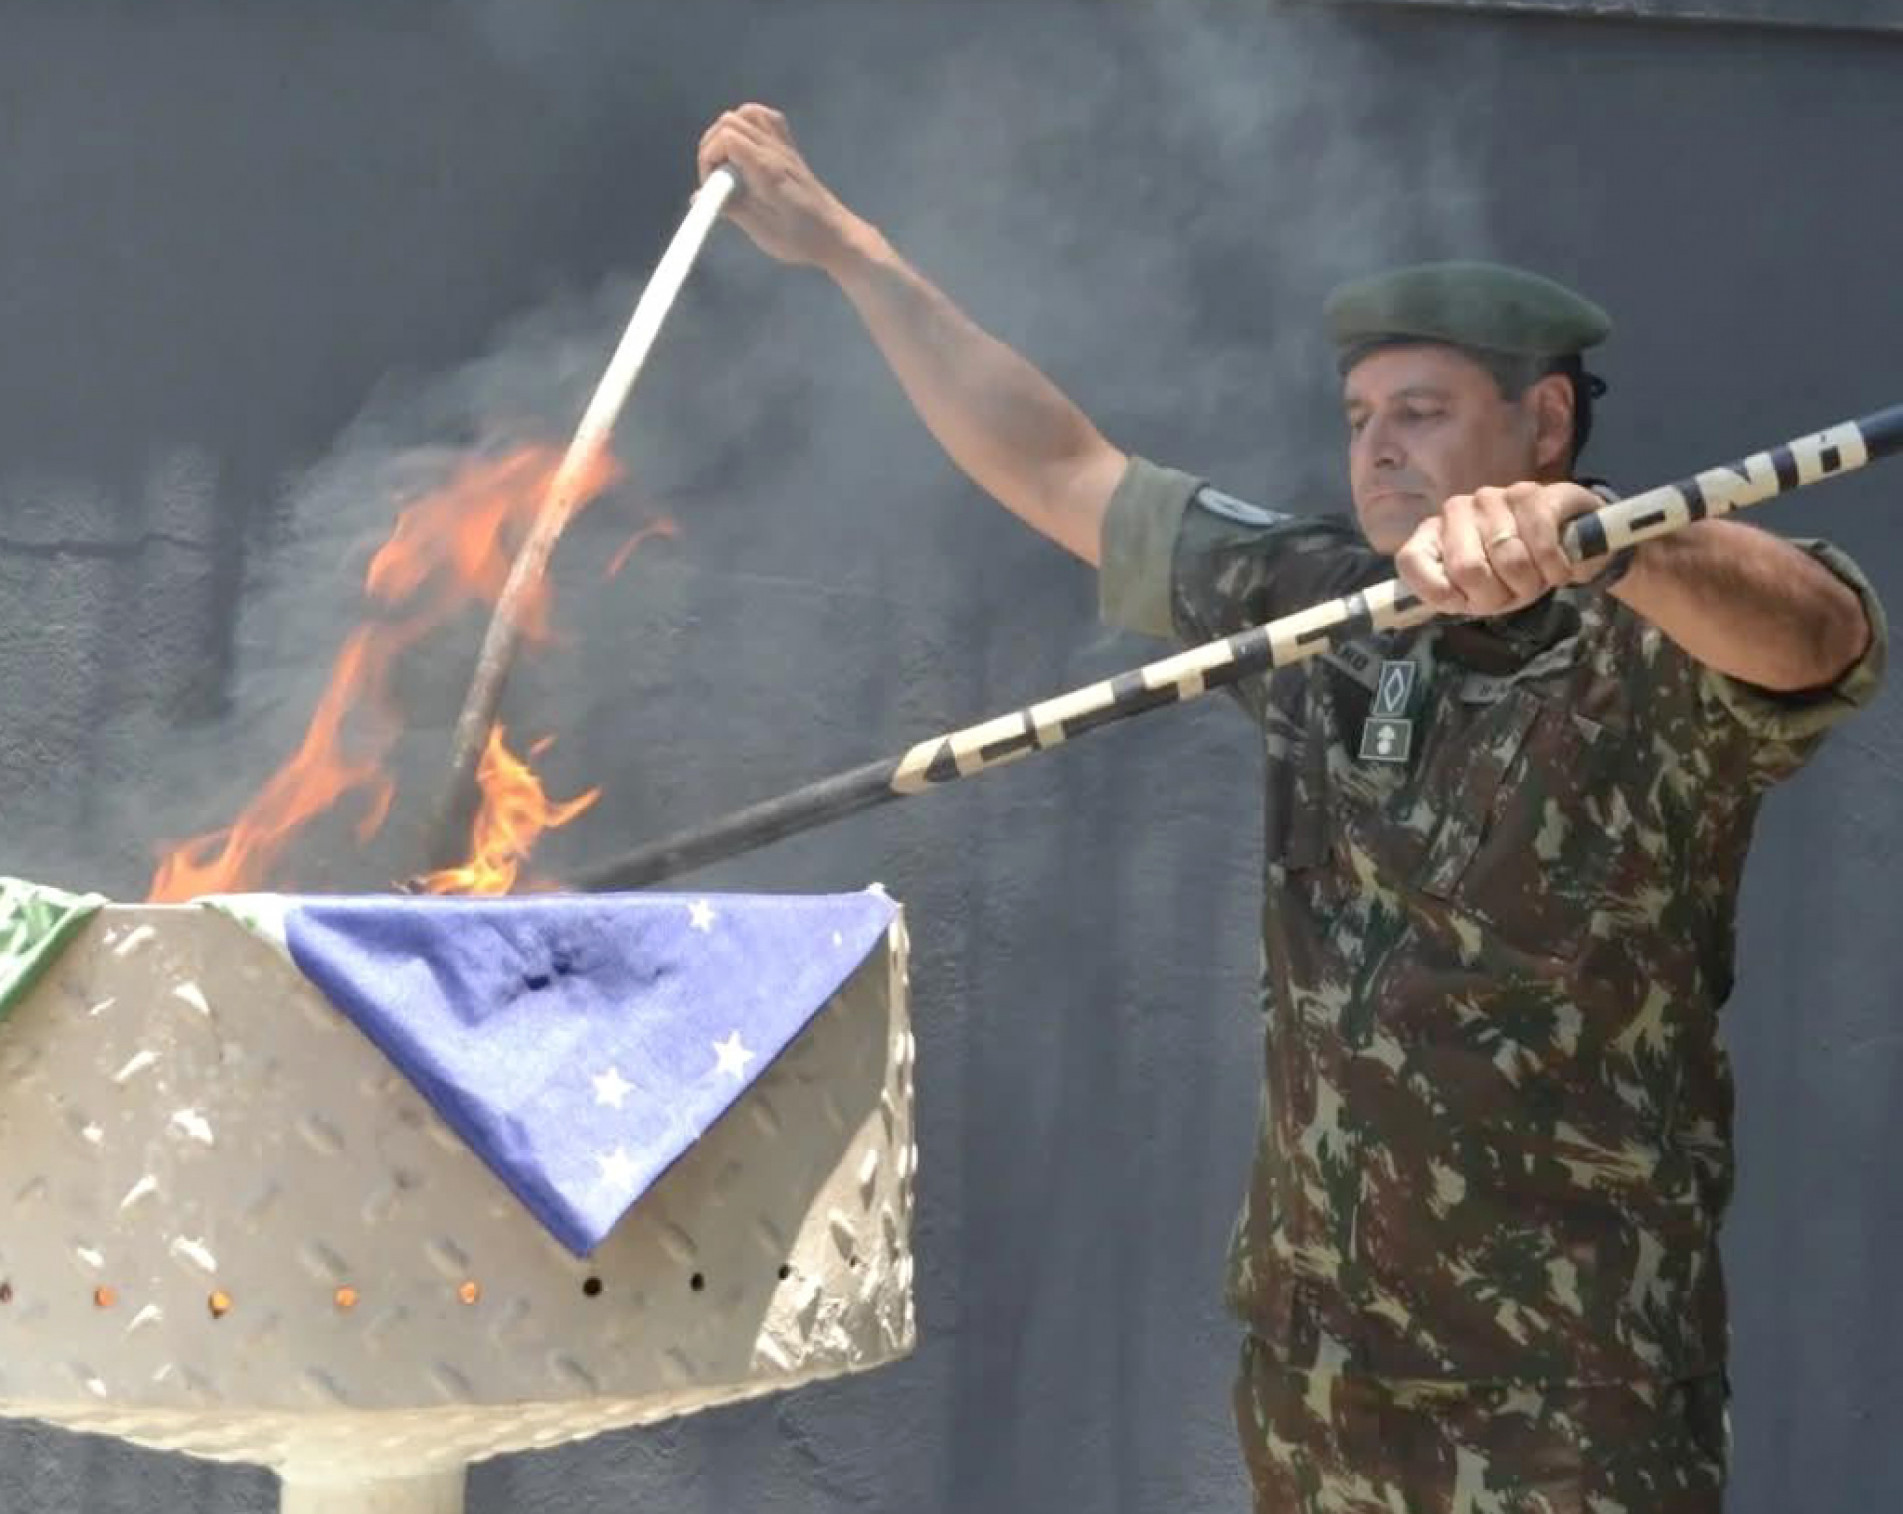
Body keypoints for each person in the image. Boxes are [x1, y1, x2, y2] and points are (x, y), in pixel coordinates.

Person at [695, 104, 1887, 1512]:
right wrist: (852, 254)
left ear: (1546, 420)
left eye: (1424, 414)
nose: (1378, 449)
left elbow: (1822, 634)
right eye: (1361, 420)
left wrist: (1610, 541)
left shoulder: (1652, 642)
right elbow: (1065, 468)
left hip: (1573, 1390)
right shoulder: (1323, 611)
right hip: (1319, 1373)